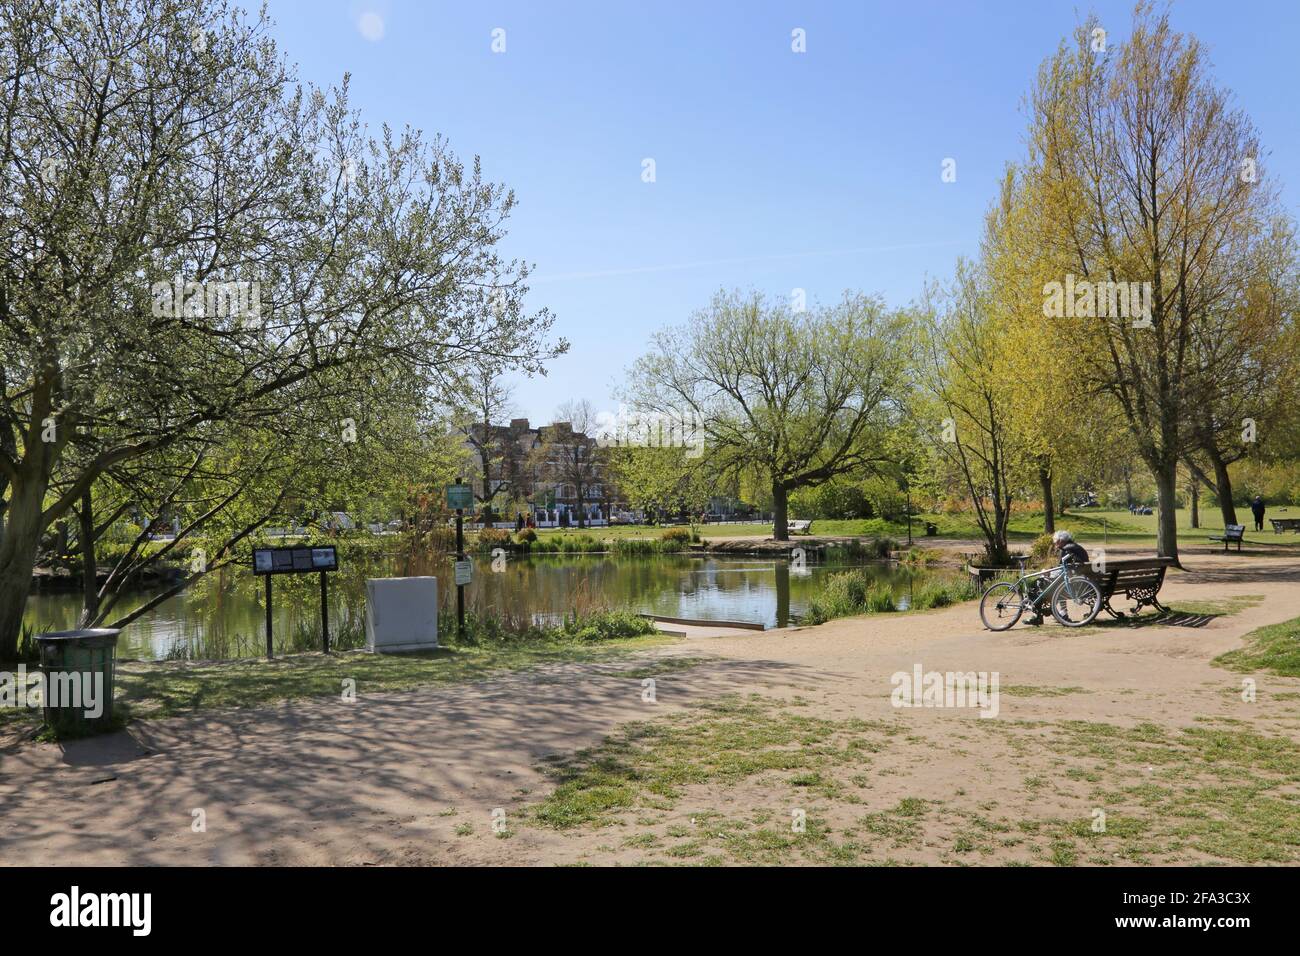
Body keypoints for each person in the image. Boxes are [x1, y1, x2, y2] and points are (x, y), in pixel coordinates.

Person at [1027, 530, 1090, 625]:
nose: (1055, 543)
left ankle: (1038, 616)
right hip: (1084, 584)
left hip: (1072, 585)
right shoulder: (1077, 547)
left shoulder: (1065, 549)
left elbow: (1061, 569)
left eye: (1056, 541)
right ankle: (1062, 613)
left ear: (1061, 540)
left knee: (1037, 585)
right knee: (1058, 584)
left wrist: (1046, 572)